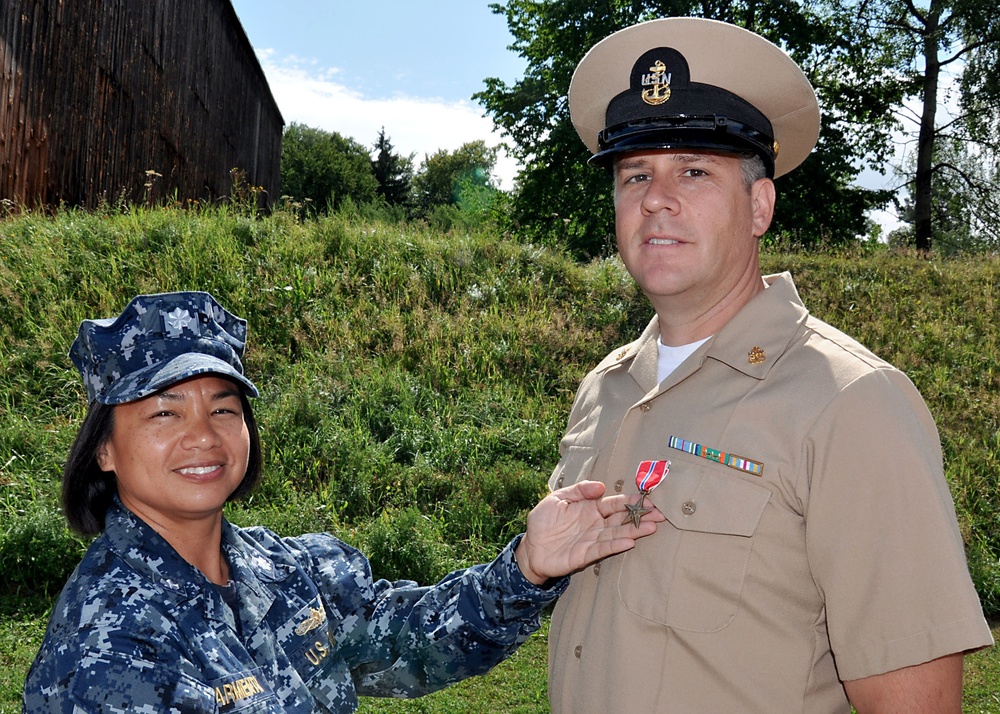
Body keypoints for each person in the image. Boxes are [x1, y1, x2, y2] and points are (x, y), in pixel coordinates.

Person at [545, 16, 993, 714]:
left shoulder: (852, 403)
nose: (656, 198)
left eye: (693, 171)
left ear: (760, 205)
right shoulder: (607, 388)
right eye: (636, 174)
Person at [22, 291, 663, 713]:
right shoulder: (107, 644)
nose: (203, 436)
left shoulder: (281, 569)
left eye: (224, 407)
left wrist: (526, 567)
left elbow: (404, 642)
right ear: (104, 449)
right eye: (164, 413)